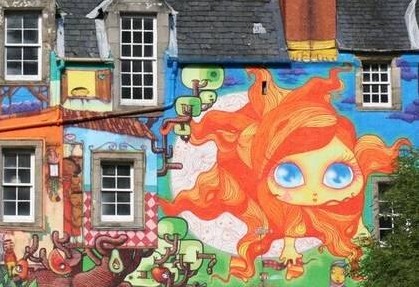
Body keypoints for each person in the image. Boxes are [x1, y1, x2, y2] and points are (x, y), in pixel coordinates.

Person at [163, 67, 409, 281]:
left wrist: (358, 228)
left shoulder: (345, 203)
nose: (314, 193)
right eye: (288, 175)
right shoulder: (278, 207)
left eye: (338, 175)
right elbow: (291, 219)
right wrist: (290, 246)